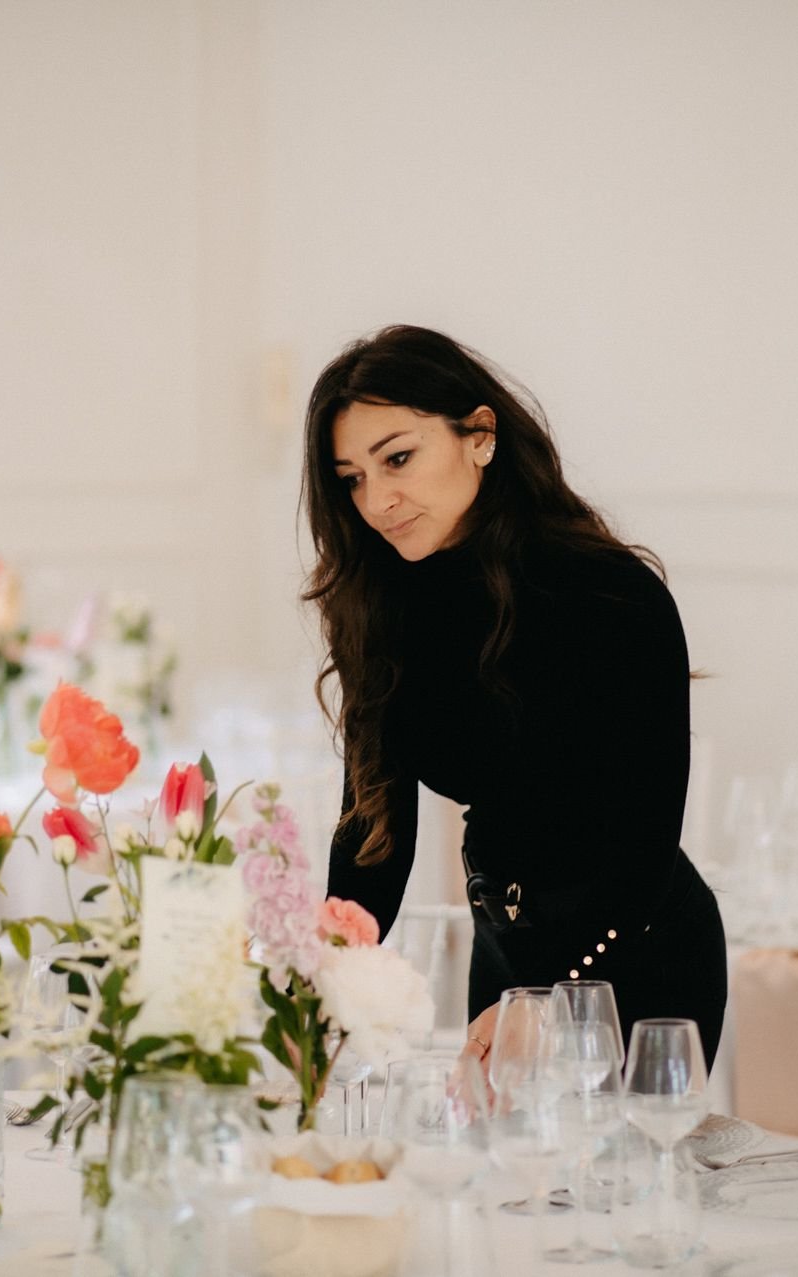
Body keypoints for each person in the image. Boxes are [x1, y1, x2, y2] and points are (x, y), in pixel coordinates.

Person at [306, 324, 727, 1074]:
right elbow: (374, 833)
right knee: (504, 1184)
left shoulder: (614, 596)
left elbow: (643, 847)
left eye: (398, 458)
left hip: (640, 954)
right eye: (352, 478)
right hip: (507, 955)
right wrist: (319, 983)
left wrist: (548, 995)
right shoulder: (383, 610)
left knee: (619, 1184)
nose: (377, 500)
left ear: (480, 435)